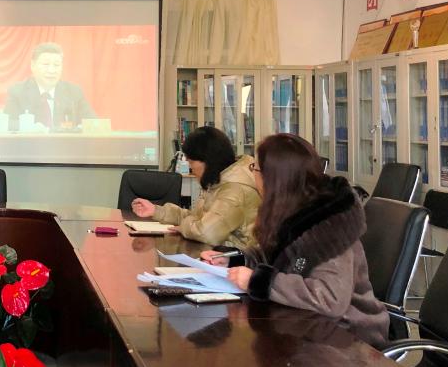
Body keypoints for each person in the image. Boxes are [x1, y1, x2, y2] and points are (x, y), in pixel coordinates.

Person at [202, 134, 388, 348]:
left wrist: (258, 281)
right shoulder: (295, 209)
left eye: (255, 168)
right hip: (306, 325)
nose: (253, 174)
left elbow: (329, 298)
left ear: (274, 179)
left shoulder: (329, 225)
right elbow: (274, 257)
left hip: (349, 336)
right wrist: (234, 259)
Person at [132, 126, 260, 249]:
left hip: (234, 260)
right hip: (217, 255)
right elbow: (196, 218)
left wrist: (184, 227)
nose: (190, 168)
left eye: (191, 162)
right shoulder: (219, 182)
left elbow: (207, 233)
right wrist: (156, 211)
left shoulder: (234, 189)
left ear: (208, 160)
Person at [3, 42, 96, 132]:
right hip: (31, 142)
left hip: (64, 142)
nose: (51, 70)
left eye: (56, 65)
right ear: (33, 65)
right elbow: (7, 124)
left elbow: (93, 123)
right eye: (46, 64)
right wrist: (31, 127)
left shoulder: (74, 92)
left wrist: (81, 128)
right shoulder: (18, 91)